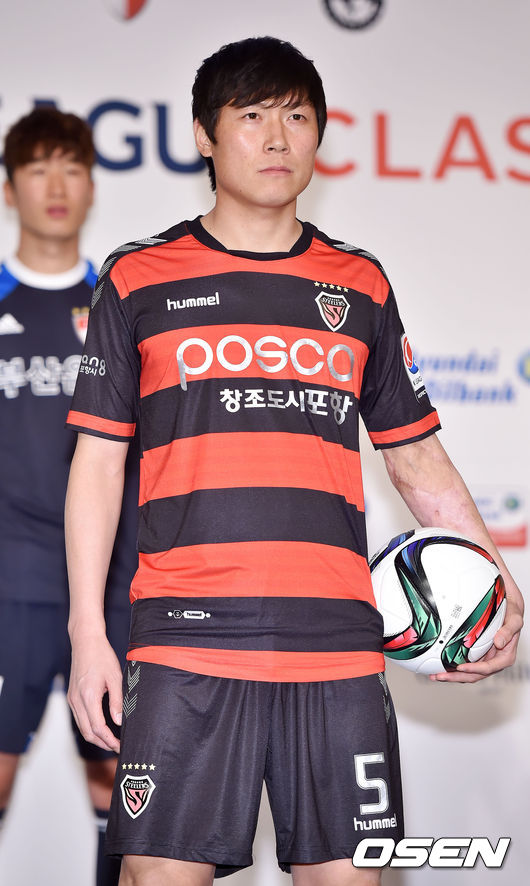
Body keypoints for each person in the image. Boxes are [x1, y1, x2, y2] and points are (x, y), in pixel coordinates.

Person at [64, 37, 524, 886]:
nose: (278, 138)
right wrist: (87, 632)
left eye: (298, 116)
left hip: (338, 650)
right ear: (204, 136)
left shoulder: (360, 285)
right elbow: (96, 464)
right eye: (251, 116)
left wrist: (495, 579)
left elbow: (415, 456)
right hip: (187, 647)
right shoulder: (138, 278)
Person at [0, 107, 138, 886]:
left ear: (92, 186)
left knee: (121, 784)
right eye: (37, 169)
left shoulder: (122, 303)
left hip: (113, 584)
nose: (56, 186)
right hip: (10, 581)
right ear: (9, 189)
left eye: (73, 168)